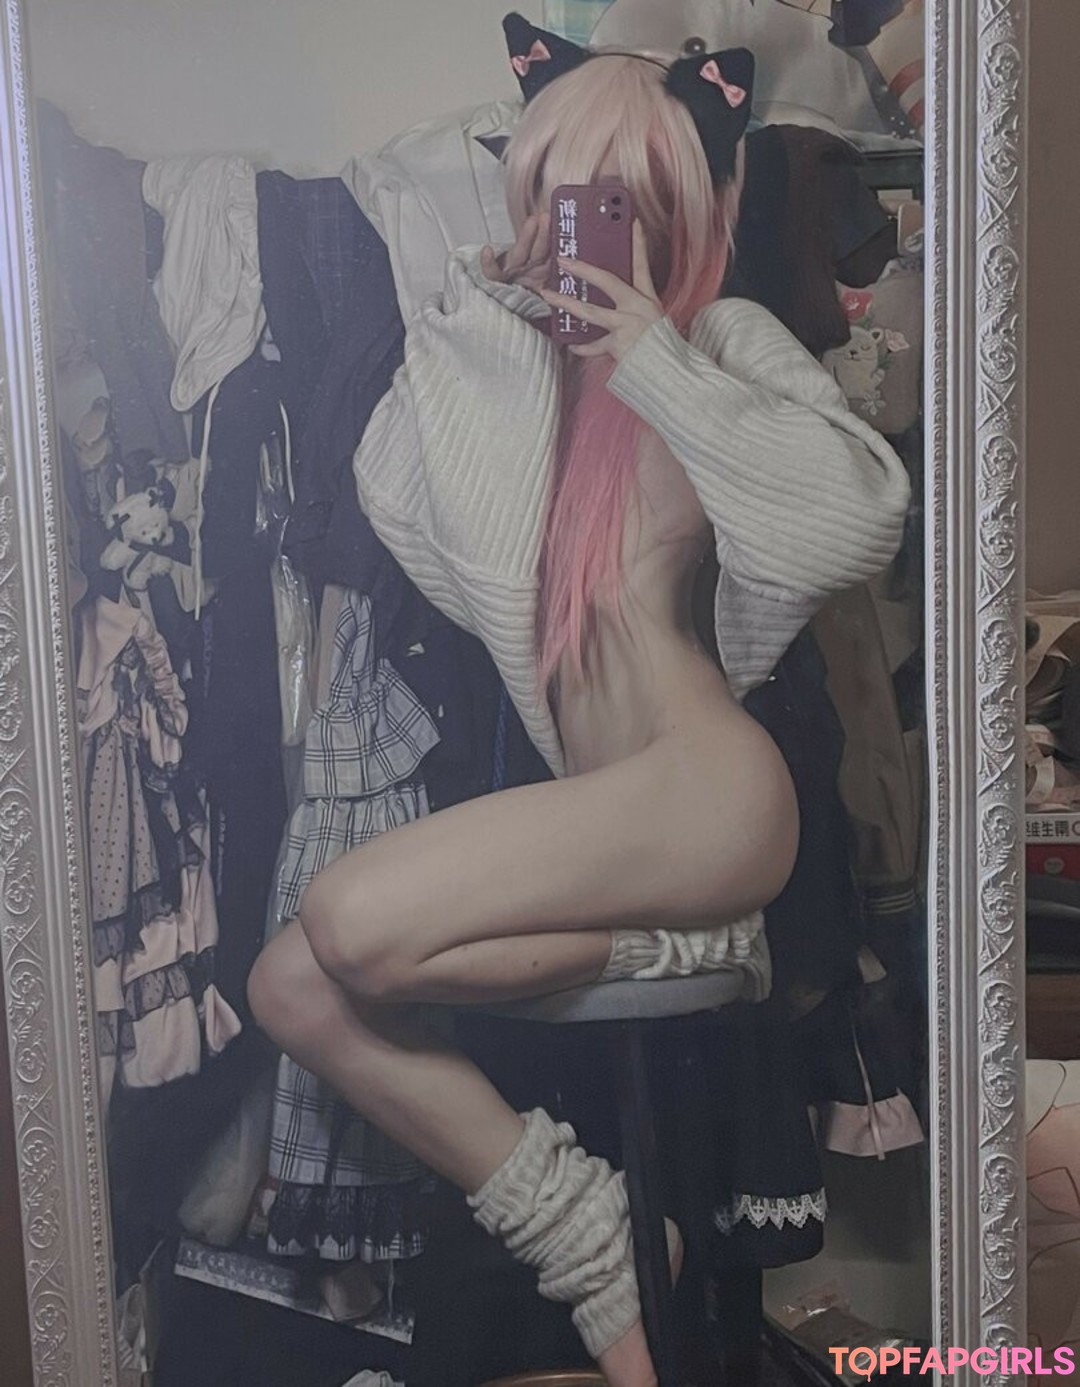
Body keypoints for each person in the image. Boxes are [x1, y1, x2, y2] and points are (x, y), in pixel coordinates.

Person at [248, 36, 910, 1387]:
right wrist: (483, 317)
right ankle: (582, 1231)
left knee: (348, 922)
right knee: (290, 985)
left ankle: (689, 954)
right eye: (555, 188)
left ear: (674, 198)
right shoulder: (519, 370)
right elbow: (396, 500)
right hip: (620, 817)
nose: (583, 220)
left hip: (711, 788)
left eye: (616, 193)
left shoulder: (719, 342)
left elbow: (855, 521)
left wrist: (656, 358)